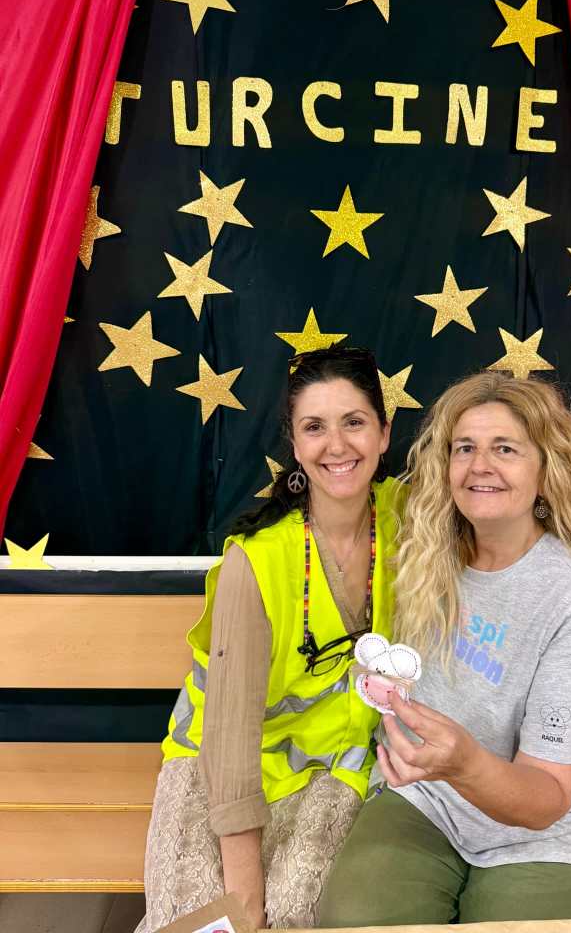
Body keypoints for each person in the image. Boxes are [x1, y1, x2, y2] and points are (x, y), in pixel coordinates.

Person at [318, 372, 571, 925]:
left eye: (505, 449)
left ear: (545, 471)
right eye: (464, 448)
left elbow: (549, 798)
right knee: (351, 922)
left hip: (544, 837)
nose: (480, 465)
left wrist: (465, 763)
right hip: (427, 800)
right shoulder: (424, 553)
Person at [136, 347, 403, 932]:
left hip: (336, 765)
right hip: (218, 765)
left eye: (354, 422)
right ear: (296, 445)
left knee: (299, 912)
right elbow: (229, 737)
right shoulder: (256, 559)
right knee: (207, 921)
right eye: (315, 427)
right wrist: (244, 897)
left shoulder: (412, 522)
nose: (337, 445)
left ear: (384, 434)